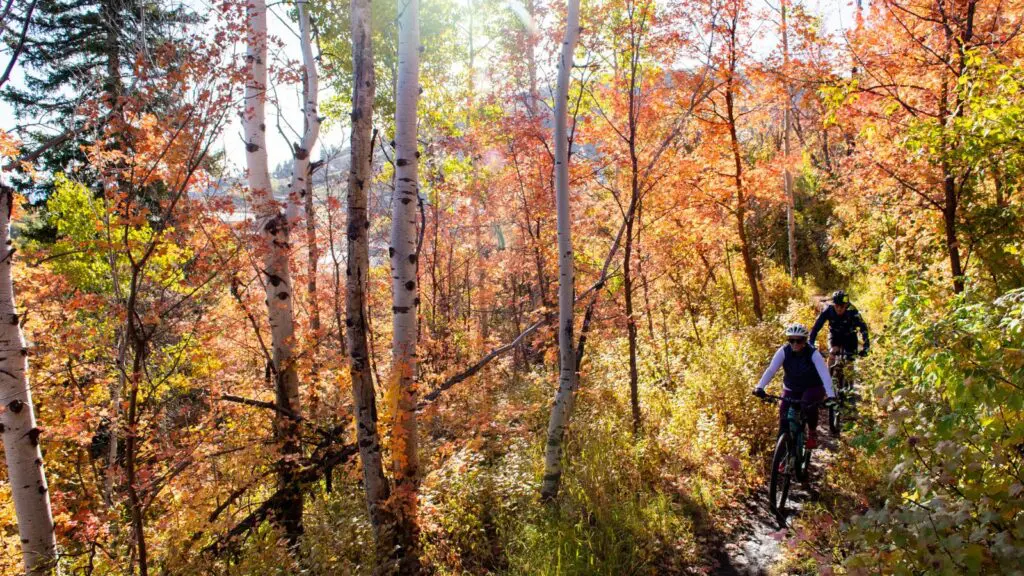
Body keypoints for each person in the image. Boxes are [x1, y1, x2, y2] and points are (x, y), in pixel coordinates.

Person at [752, 323, 836, 448]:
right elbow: (771, 370)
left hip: (812, 387)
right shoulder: (784, 351)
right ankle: (782, 453)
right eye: (791, 340)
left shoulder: (813, 354)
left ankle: (812, 432)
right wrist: (760, 387)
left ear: (805, 340)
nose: (795, 344)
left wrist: (831, 395)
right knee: (783, 417)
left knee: (807, 405)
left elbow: (825, 375)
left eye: (799, 340)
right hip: (791, 387)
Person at [809, 290, 870, 359]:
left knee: (850, 360)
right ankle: (829, 369)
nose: (839, 309)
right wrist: (811, 343)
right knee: (832, 354)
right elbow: (816, 327)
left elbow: (863, 327)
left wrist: (866, 346)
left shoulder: (852, 311)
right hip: (835, 335)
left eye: (842, 306)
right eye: (837, 306)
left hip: (850, 337)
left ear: (846, 305)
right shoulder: (828, 310)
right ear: (833, 304)